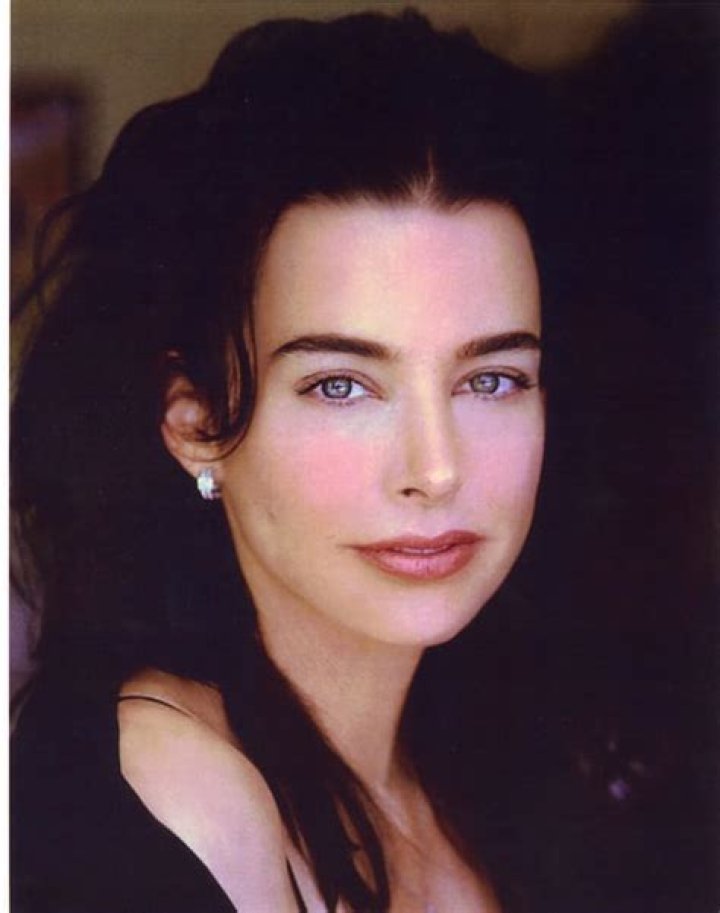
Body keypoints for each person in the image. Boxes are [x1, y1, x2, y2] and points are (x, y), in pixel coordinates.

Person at [12, 10, 707, 913]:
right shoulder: (177, 787)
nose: (437, 468)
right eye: (342, 386)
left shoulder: (516, 765)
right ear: (194, 423)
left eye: (491, 379)